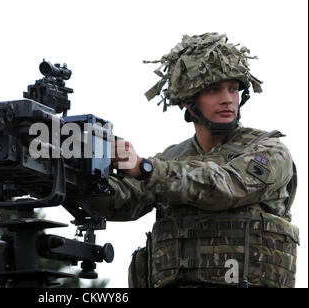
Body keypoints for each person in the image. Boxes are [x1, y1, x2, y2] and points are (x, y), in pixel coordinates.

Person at [89, 32, 299, 288]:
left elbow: (225, 187)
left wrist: (145, 168)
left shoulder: (269, 150)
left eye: (233, 89)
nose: (227, 99)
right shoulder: (172, 157)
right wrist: (73, 175)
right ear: (189, 102)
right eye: (214, 90)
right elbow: (122, 203)